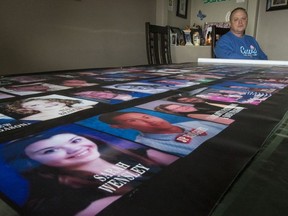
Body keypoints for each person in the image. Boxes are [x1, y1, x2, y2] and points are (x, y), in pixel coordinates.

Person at [0, 127, 178, 215]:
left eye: (74, 141)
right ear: (34, 164)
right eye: (49, 151)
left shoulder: (138, 153)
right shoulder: (70, 200)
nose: (72, 150)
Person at [98, 111, 227, 157]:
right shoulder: (149, 147)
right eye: (133, 120)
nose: (149, 120)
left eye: (145, 116)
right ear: (121, 127)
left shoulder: (193, 122)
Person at [4, 97, 93, 121]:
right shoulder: (29, 120)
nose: (49, 104)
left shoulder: (88, 107)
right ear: (25, 110)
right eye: (35, 105)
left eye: (46, 101)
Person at [154, 103, 234, 125]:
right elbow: (228, 121)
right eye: (177, 109)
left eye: (180, 106)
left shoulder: (199, 106)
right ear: (175, 112)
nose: (183, 107)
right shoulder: (191, 115)